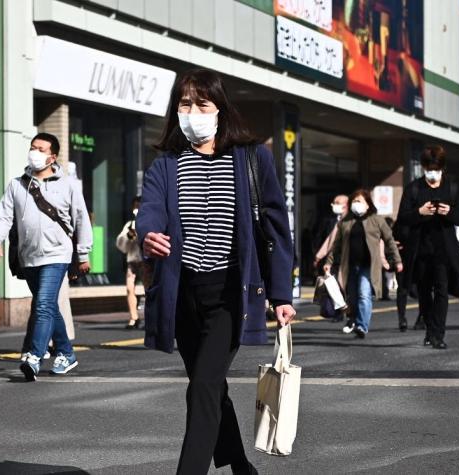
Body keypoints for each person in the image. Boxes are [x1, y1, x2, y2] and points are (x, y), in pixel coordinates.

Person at [136, 69, 295, 475]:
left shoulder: (252, 158)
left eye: (202, 105)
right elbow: (151, 210)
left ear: (220, 110)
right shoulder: (166, 165)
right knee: (212, 388)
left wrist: (281, 295)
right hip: (183, 294)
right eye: (185, 104)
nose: (193, 112)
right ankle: (242, 466)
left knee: (203, 388)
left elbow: (275, 228)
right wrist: (149, 234)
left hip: (230, 294)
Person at [0, 132, 92, 381]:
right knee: (50, 306)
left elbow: (81, 218)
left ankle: (34, 356)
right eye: (33, 147)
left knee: (44, 305)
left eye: (41, 149)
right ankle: (67, 353)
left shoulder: (68, 184)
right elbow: (4, 215)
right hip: (30, 256)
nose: (34, 152)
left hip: (58, 254)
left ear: (52, 156)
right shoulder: (18, 184)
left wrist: (83, 253)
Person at [396, 145, 459, 349]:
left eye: (436, 169)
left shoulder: (453, 187)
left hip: (444, 250)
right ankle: (429, 329)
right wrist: (420, 212)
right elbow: (403, 217)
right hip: (420, 250)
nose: (432, 173)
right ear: (423, 167)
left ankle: (438, 334)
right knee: (424, 292)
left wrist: (449, 212)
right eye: (429, 168)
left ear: (442, 168)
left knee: (442, 291)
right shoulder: (414, 188)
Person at [324, 190, 402, 338]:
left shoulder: (377, 220)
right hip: (351, 264)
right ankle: (353, 319)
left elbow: (390, 241)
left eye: (359, 201)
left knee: (364, 294)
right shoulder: (345, 222)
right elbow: (337, 245)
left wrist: (397, 260)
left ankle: (362, 326)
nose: (356, 204)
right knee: (352, 297)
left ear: (368, 204)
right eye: (354, 201)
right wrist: (329, 262)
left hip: (368, 265)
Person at [116, 196, 145, 329]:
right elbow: (121, 244)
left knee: (149, 290)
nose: (137, 208)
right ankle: (134, 317)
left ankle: (150, 317)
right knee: (129, 288)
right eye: (135, 205)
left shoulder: (148, 222)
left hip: (146, 261)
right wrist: (129, 236)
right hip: (133, 261)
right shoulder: (130, 224)